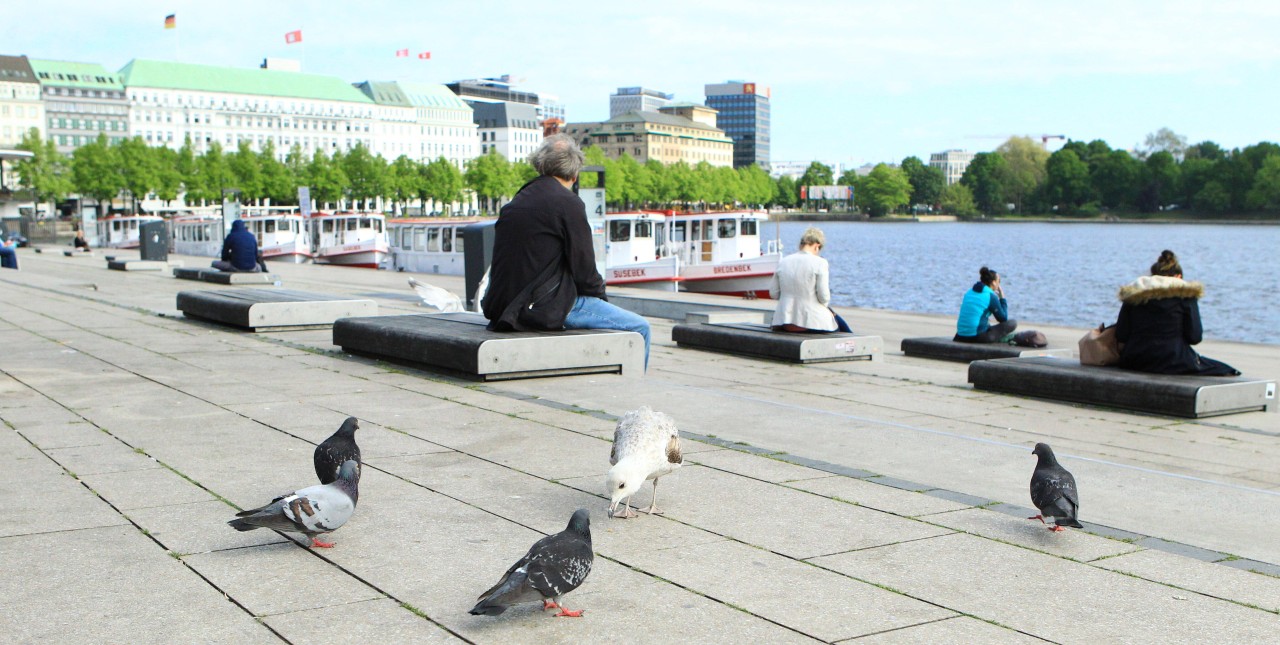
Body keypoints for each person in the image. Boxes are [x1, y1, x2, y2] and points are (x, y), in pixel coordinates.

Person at [481, 133, 651, 366]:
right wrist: (601, 301)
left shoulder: (518, 200)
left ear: (540, 166)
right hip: (539, 309)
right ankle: (635, 393)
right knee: (640, 328)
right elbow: (585, 271)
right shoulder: (568, 203)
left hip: (503, 308)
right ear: (575, 172)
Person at [1114, 249, 1239, 376]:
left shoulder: (1134, 295)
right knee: (1227, 370)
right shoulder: (1186, 297)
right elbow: (1194, 337)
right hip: (1174, 361)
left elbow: (1121, 334)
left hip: (1134, 360)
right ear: (1178, 277)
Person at [769, 227, 851, 333]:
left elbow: (773, 293)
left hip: (784, 322)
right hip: (811, 323)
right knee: (842, 329)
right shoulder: (820, 262)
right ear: (817, 246)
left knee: (834, 317)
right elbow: (824, 297)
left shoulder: (783, 261)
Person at [954, 266, 1017, 343]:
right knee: (1012, 323)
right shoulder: (990, 296)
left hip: (960, 335)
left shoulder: (969, 292)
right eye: (999, 281)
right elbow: (1003, 319)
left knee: (984, 322)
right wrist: (1002, 298)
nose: (999, 284)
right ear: (994, 282)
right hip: (976, 337)